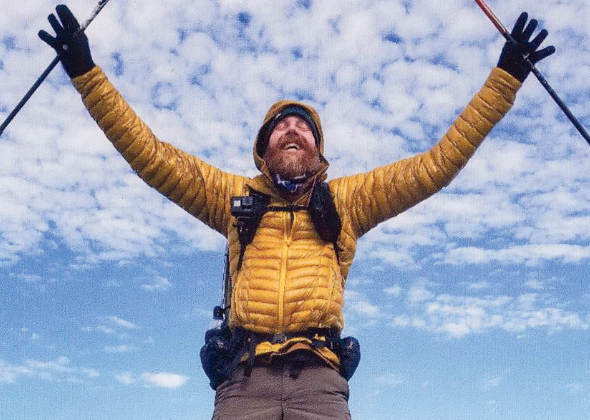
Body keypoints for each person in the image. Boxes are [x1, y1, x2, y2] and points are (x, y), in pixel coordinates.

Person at [39, 5, 554, 420]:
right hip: (243, 384)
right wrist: (85, 72)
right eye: (281, 126)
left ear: (318, 150)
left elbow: (435, 166)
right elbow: (150, 156)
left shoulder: (349, 200)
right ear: (263, 149)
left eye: (303, 127)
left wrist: (505, 77)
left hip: (320, 384)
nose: (292, 130)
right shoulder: (231, 196)